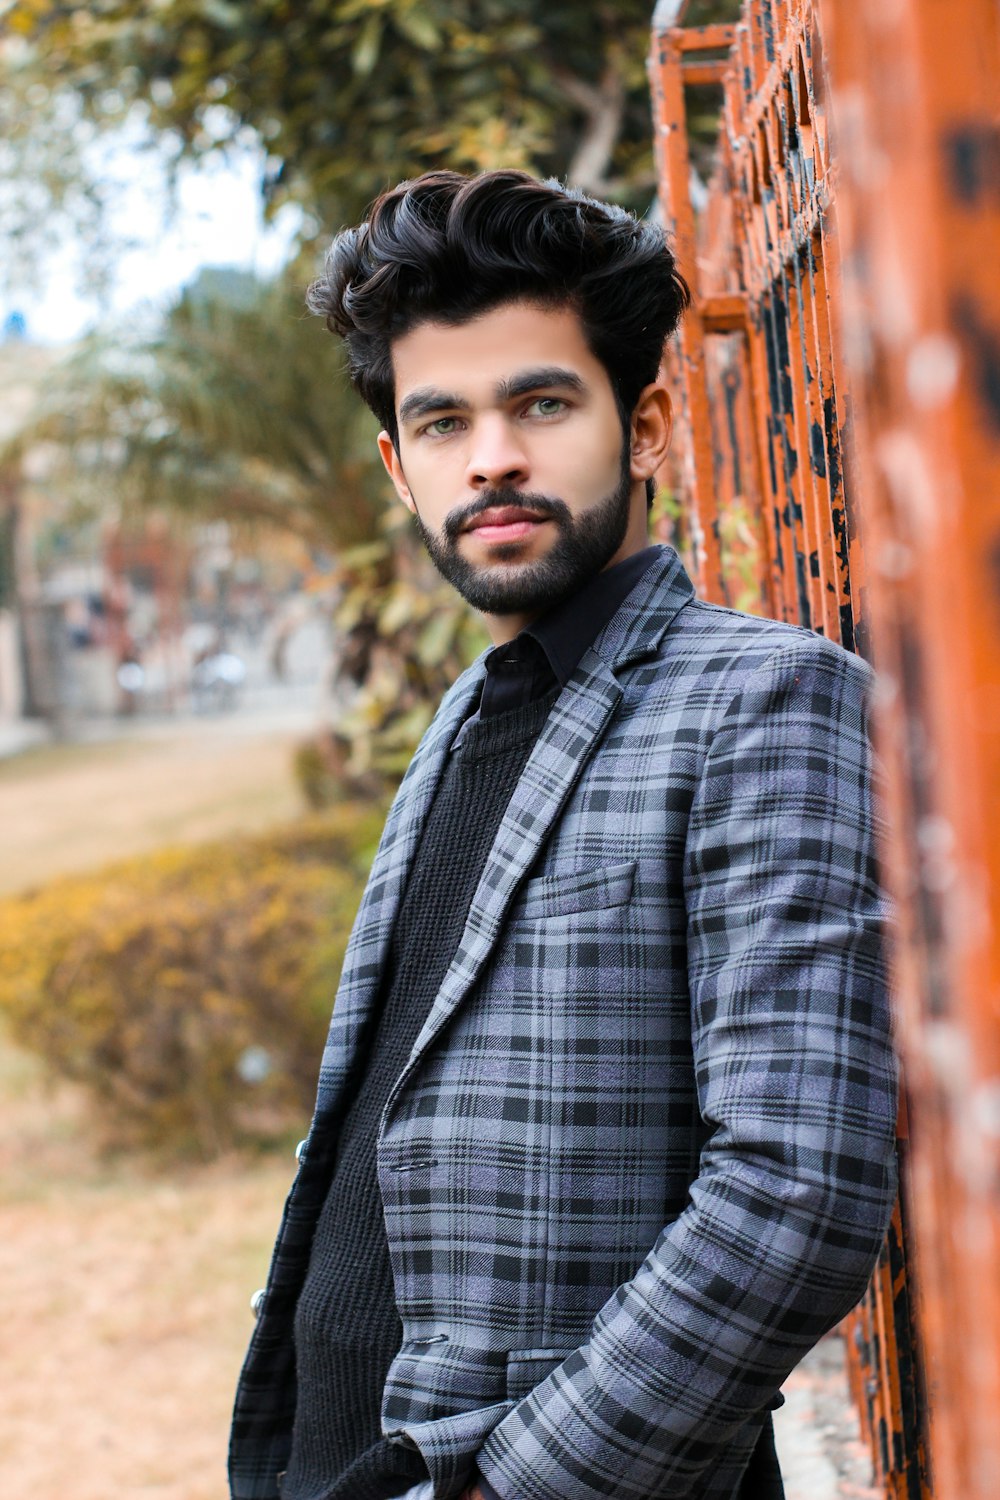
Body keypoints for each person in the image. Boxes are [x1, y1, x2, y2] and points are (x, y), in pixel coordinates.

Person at [229, 170, 897, 1500]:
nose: (491, 458)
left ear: (644, 422)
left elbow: (798, 1187)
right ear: (398, 464)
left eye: (541, 402)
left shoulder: (762, 698)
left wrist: (518, 1483)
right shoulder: (468, 717)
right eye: (442, 421)